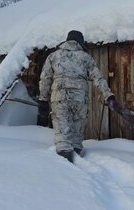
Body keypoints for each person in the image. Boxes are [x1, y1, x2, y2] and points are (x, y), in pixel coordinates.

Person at [38, 30, 121, 163]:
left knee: (62, 139)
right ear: (80, 43)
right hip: (80, 99)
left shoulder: (53, 56)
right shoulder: (85, 57)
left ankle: (66, 172)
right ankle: (76, 162)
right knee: (76, 139)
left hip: (60, 99)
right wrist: (108, 96)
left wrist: (42, 99)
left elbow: (45, 79)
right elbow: (98, 78)